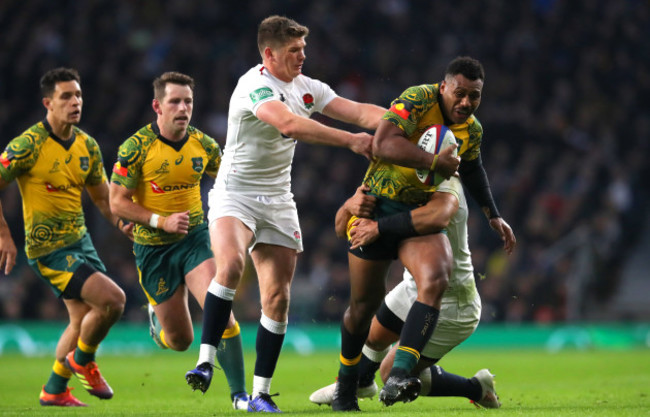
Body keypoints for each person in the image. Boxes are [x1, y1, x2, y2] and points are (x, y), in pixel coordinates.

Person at [184, 15, 387, 413]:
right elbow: (289, 125)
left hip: (278, 200)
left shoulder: (308, 87)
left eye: (304, 49)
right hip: (235, 194)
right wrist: (352, 142)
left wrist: (409, 124)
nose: (303, 56)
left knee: (277, 298)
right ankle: (205, 361)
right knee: (230, 266)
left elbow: (361, 112)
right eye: (294, 50)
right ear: (269, 54)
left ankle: (260, 394)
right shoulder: (253, 85)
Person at [328, 56, 516, 410]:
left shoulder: (472, 129)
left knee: (435, 277)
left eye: (474, 96)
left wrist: (493, 214)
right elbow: (383, 144)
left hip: (415, 214)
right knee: (361, 307)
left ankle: (399, 372)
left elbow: (473, 169)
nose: (465, 103)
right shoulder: (417, 99)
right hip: (377, 206)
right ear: (443, 87)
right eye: (459, 93)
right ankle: (345, 387)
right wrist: (433, 162)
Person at [108, 71, 249, 410]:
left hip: (194, 240)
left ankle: (239, 396)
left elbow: (234, 178)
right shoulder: (136, 147)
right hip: (153, 250)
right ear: (158, 106)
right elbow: (117, 201)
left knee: (223, 314)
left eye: (188, 101)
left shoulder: (204, 145)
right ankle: (158, 322)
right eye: (175, 101)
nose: (183, 108)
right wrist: (160, 220)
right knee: (181, 340)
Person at [309, 178, 503, 409]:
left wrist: (378, 226)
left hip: (451, 302)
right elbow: (342, 228)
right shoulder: (394, 176)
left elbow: (435, 216)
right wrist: (351, 205)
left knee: (390, 372)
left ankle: (476, 388)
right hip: (411, 288)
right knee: (371, 338)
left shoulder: (444, 184)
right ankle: (359, 382)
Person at [0, 67, 127, 407]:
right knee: (113, 300)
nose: (75, 102)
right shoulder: (28, 145)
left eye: (79, 95)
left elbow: (102, 198)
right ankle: (82, 362)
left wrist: (126, 227)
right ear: (48, 103)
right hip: (49, 249)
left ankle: (54, 389)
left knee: (81, 319)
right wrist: (5, 235)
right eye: (66, 96)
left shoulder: (87, 145)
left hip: (81, 243)